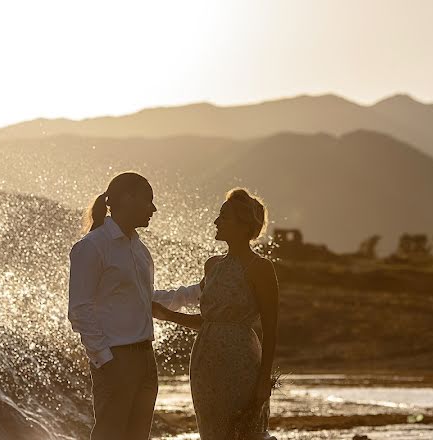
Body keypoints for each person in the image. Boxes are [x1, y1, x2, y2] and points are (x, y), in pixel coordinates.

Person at [68, 171, 201, 440]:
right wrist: (105, 359)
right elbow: (79, 310)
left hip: (145, 358)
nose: (154, 208)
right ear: (127, 198)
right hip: (116, 357)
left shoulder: (139, 248)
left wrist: (196, 293)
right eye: (148, 200)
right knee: (110, 434)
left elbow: (146, 299)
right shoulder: (92, 246)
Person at [153, 188, 279, 440]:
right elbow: (210, 322)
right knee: (212, 432)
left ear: (244, 226)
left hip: (242, 359)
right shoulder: (212, 265)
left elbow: (272, 328)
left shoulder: (261, 268)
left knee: (247, 432)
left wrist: (264, 379)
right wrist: (169, 315)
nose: (216, 221)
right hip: (205, 361)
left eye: (224, 216)